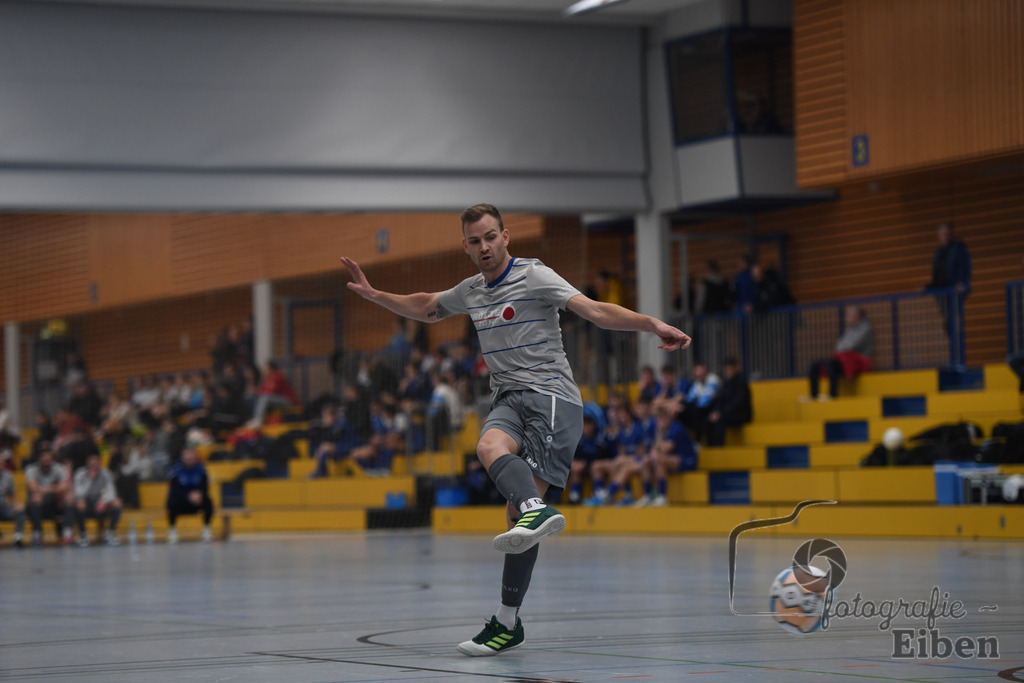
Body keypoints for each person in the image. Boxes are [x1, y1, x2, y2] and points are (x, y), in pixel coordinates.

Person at [340, 203, 690, 657]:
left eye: (490, 237)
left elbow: (594, 310)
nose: (483, 246)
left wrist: (651, 324)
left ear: (506, 237)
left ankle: (508, 616)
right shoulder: (471, 291)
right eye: (474, 240)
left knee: (517, 520)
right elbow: (427, 306)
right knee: (489, 449)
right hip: (508, 398)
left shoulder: (535, 276)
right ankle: (518, 574)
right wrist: (374, 295)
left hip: (552, 398)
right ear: (465, 246)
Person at [807, 305, 874, 400]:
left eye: (850, 315)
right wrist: (841, 349)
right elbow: (840, 345)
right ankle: (814, 395)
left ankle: (833, 394)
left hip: (858, 360)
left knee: (830, 365)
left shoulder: (866, 328)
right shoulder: (850, 329)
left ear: (857, 316)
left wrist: (841, 349)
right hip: (844, 358)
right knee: (814, 365)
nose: (847, 317)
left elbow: (852, 345)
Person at [643, 403, 698, 506]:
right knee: (646, 460)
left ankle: (662, 497)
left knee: (659, 460)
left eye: (662, 418)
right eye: (658, 419)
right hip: (672, 459)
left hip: (688, 460)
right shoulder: (664, 429)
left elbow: (665, 449)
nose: (660, 421)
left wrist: (658, 432)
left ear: (667, 417)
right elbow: (655, 449)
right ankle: (647, 495)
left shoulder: (676, 428)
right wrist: (653, 453)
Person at [24, 448, 74, 545]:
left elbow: (65, 486)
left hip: (54, 503)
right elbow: (33, 488)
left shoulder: (59, 468)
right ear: (39, 460)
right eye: (44, 460)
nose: (46, 463)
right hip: (36, 505)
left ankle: (68, 534)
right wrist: (55, 488)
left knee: (69, 498)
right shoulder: (31, 469)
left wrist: (44, 489)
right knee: (36, 498)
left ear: (52, 460)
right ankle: (37, 534)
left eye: (48, 460)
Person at [72, 452, 123, 546]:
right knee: (79, 503)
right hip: (86, 503)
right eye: (91, 461)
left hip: (101, 504)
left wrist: (104, 501)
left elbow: (111, 491)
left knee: (117, 503)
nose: (94, 463)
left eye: (96, 461)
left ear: (100, 462)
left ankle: (110, 534)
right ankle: (83, 535)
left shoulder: (105, 473)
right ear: (87, 462)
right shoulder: (80, 473)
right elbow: (78, 493)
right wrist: (90, 480)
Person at [165, 447, 214, 543]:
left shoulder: (201, 469)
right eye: (186, 455)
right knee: (171, 502)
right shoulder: (175, 469)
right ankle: (172, 530)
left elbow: (205, 487)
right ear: (182, 457)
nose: (189, 458)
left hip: (196, 500)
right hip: (181, 500)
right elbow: (174, 489)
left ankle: (206, 528)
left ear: (195, 457)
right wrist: (188, 496)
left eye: (191, 455)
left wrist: (200, 494)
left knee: (208, 501)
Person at [706, 357, 752, 447]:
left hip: (741, 414)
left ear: (735, 368)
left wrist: (721, 413)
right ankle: (710, 447)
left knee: (721, 419)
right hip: (726, 412)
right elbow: (719, 400)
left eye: (730, 368)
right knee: (709, 419)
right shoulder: (725, 382)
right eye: (727, 369)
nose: (728, 371)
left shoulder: (741, 382)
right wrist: (715, 412)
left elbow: (738, 403)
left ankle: (719, 447)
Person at [247, 360, 299, 427]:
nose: (263, 371)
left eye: (265, 369)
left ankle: (258, 420)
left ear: (271, 369)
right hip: (278, 401)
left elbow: (270, 392)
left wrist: (256, 391)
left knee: (264, 398)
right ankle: (254, 419)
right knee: (252, 398)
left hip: (288, 401)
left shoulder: (277, 375)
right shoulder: (268, 378)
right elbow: (262, 390)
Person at [678, 362, 720, 442]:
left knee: (695, 411)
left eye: (700, 371)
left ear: (706, 371)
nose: (698, 373)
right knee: (682, 411)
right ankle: (684, 440)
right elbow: (689, 399)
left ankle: (697, 441)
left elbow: (704, 402)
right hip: (701, 410)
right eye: (696, 371)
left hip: (714, 409)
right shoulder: (697, 383)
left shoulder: (713, 379)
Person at [0, 452, 27, 547]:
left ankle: (18, 538)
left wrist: (16, 505)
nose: (1, 466)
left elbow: (12, 495)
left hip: (3, 508)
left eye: (2, 464)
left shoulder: (8, 476)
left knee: (19, 511)